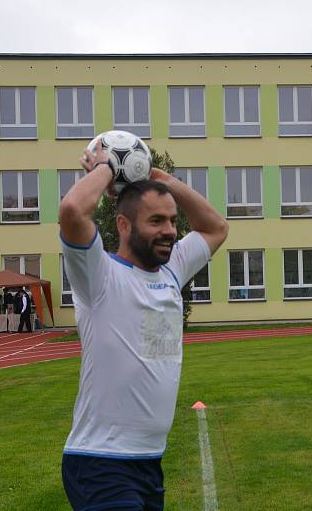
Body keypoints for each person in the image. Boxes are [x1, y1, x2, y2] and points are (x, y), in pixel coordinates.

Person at [58, 139, 228, 510]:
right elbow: (72, 210)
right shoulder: (98, 276)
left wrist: (167, 183)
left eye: (172, 220)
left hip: (148, 462)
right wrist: (107, 170)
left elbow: (216, 227)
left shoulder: (172, 270)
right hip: (100, 462)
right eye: (156, 221)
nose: (170, 230)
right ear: (123, 224)